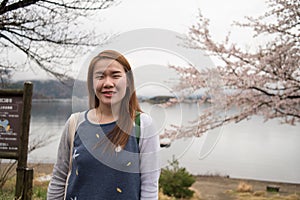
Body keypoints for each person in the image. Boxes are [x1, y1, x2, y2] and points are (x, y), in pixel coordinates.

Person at [47, 50, 160, 200]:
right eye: (100, 76)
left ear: (128, 82)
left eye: (115, 75)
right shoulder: (75, 123)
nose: (108, 83)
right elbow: (59, 179)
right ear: (92, 83)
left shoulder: (142, 125)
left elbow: (149, 187)